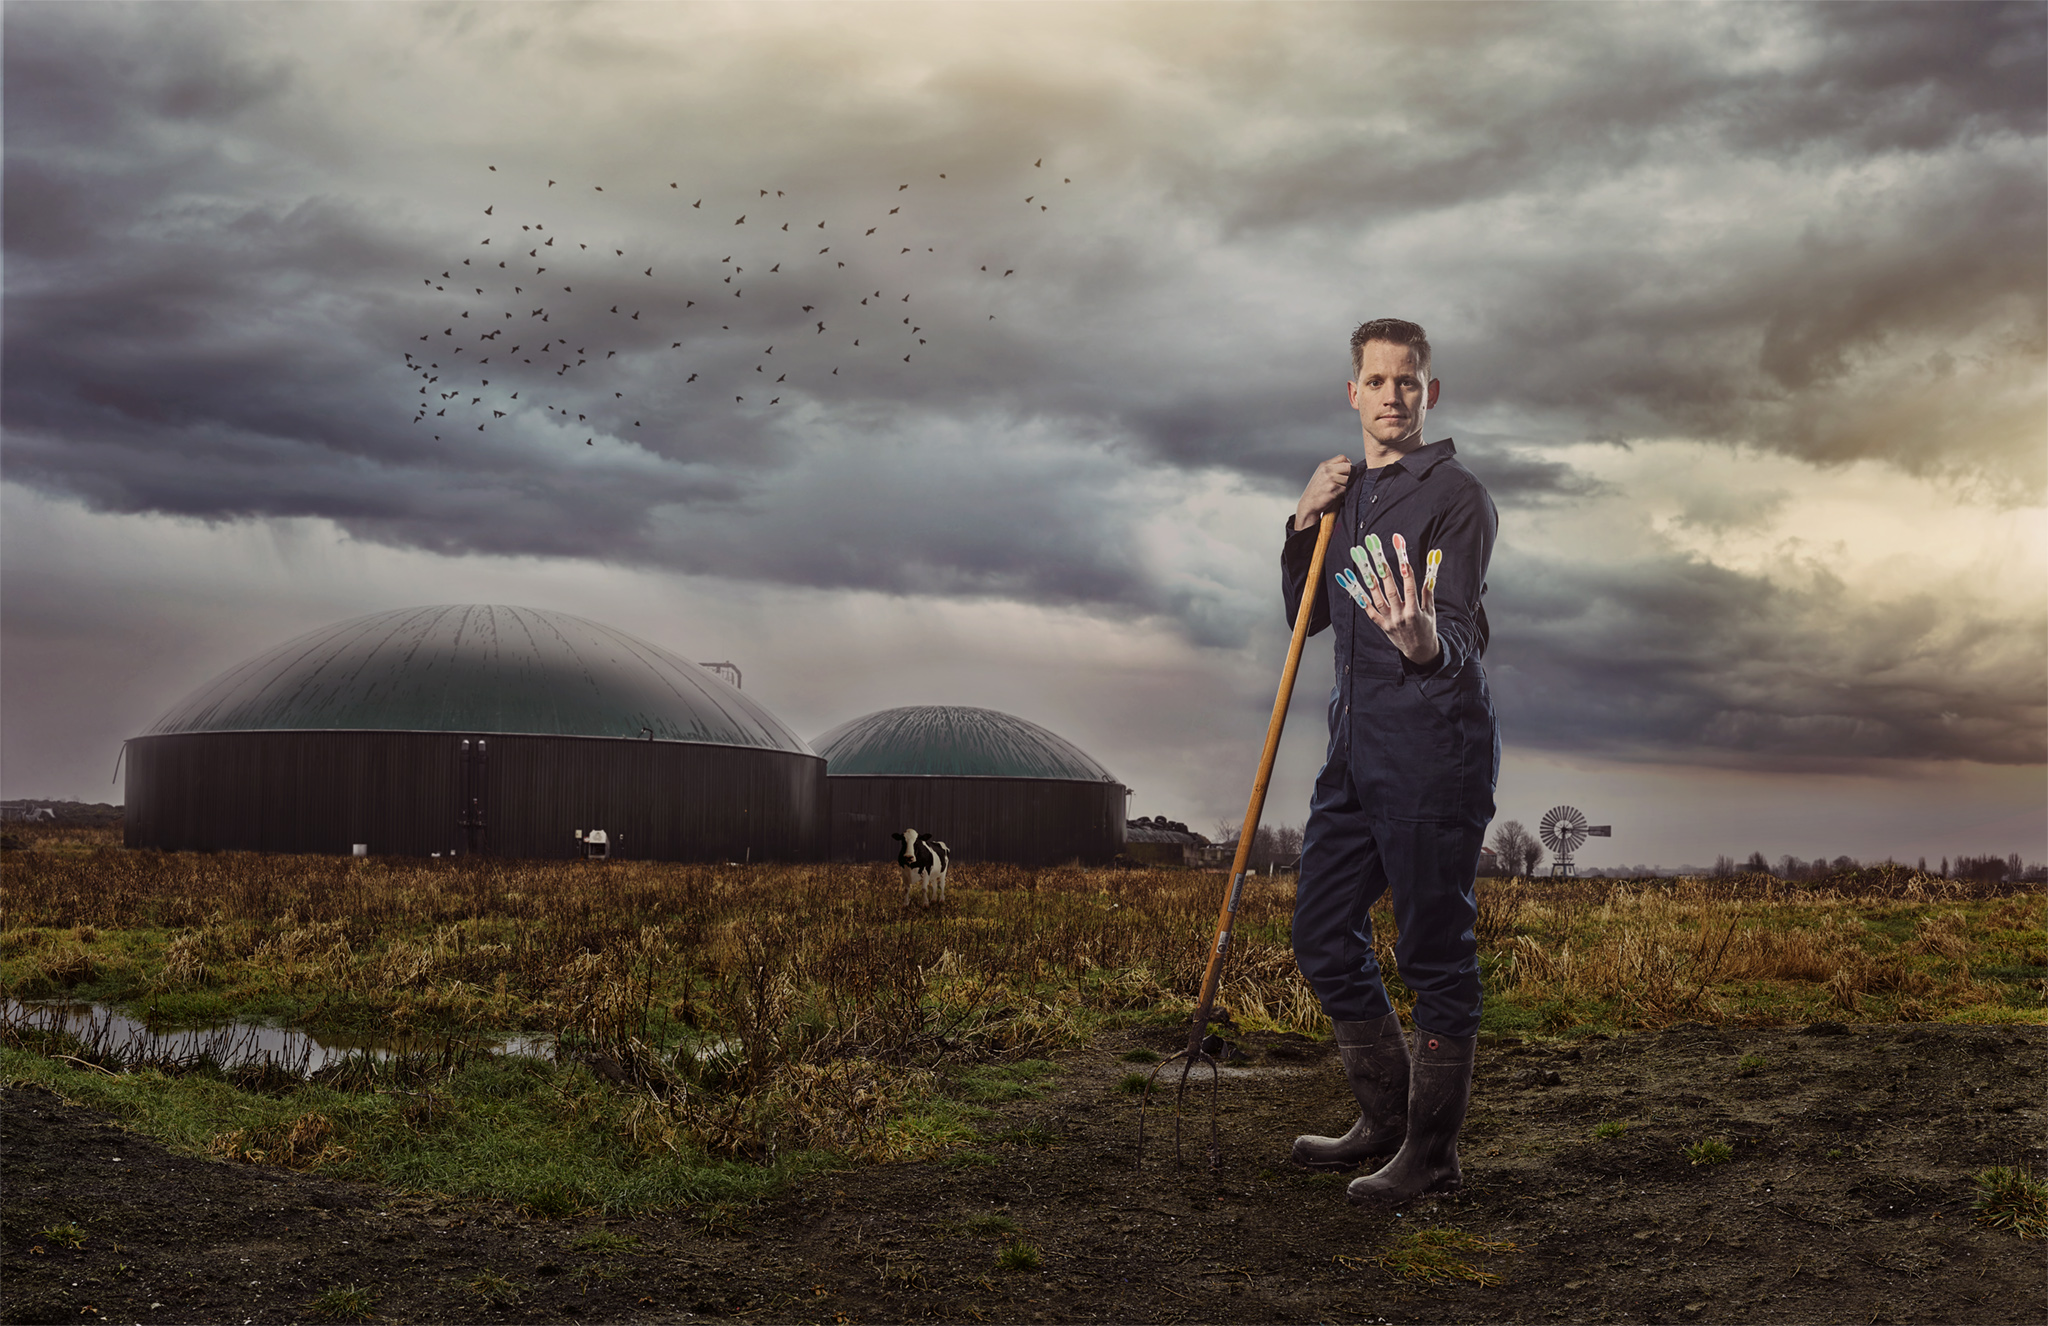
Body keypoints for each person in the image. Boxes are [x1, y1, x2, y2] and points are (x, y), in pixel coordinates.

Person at [1280, 317, 1499, 1203]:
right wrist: (1303, 518)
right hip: (1355, 748)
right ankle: (1385, 1119)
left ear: (1430, 392)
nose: (1393, 397)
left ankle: (1432, 1158)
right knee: (1321, 931)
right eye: (1377, 382)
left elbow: (1451, 629)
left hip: (1434, 748)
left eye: (1408, 382)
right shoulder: (1348, 494)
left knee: (1433, 951)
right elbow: (1306, 611)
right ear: (1354, 393)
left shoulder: (1457, 496)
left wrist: (1420, 642)